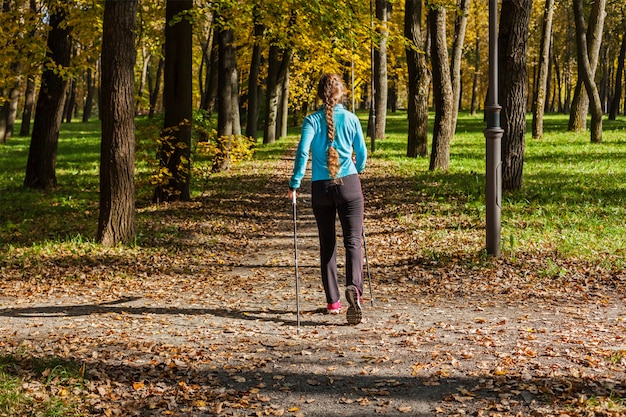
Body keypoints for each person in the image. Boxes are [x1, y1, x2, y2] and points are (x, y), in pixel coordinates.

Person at [288, 73, 367, 325]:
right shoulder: (352, 119)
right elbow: (362, 153)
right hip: (350, 185)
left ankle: (333, 301)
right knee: (353, 240)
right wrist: (359, 167)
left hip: (320, 187)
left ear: (320, 94)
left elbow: (302, 151)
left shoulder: (311, 120)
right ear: (341, 92)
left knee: (327, 243)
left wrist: (295, 183)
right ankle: (354, 288)